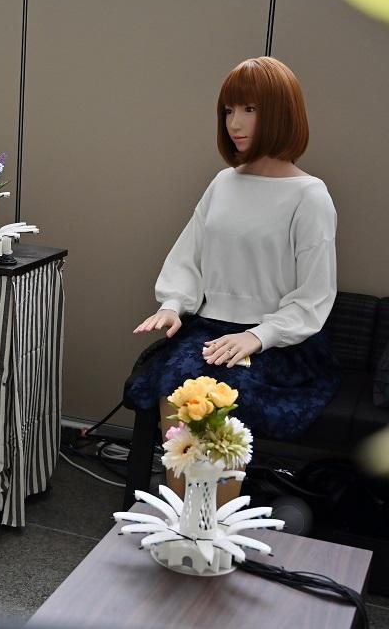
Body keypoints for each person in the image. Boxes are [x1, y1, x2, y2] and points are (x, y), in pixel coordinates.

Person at [126, 56, 341, 498]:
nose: (235, 123)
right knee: (178, 383)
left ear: (282, 114)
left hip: (277, 342)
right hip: (210, 328)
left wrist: (258, 336)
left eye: (250, 110)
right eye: (228, 110)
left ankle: (213, 526)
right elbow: (189, 257)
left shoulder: (309, 196)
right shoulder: (223, 183)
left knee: (217, 393)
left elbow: (315, 296)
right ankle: (183, 516)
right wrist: (172, 305)